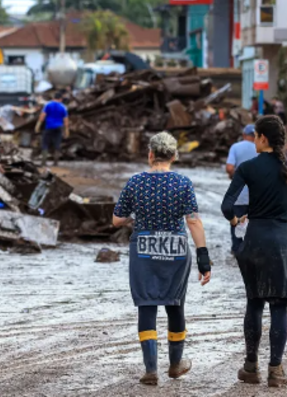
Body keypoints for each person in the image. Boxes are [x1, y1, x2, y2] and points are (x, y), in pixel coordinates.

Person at [112, 132, 211, 386]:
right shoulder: (183, 183)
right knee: (175, 304)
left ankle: (151, 370)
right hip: (176, 250)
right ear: (174, 156)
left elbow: (117, 219)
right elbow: (193, 221)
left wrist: (134, 217)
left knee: (147, 305)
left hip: (143, 250)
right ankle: (176, 364)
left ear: (150, 155)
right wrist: (203, 257)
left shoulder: (135, 183)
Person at [221, 115, 287, 388]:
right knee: (279, 305)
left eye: (256, 137)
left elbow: (227, 206)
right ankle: (276, 369)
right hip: (284, 241)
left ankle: (251, 366)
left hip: (256, 240)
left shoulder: (247, 168)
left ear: (262, 138)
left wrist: (237, 221)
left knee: (254, 302)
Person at [225, 124, 258, 254]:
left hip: (239, 195)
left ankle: (237, 249)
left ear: (244, 135)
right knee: (255, 224)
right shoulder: (260, 148)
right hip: (257, 195)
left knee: (237, 222)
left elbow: (229, 168)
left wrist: (235, 177)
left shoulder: (236, 147)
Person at [35, 91, 69, 167]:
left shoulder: (48, 105)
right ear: (60, 99)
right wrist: (66, 130)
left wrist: (38, 125)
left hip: (49, 127)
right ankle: (55, 162)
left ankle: (44, 162)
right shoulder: (63, 107)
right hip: (58, 128)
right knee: (57, 144)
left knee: (45, 143)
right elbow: (66, 120)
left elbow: (42, 116)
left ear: (54, 98)